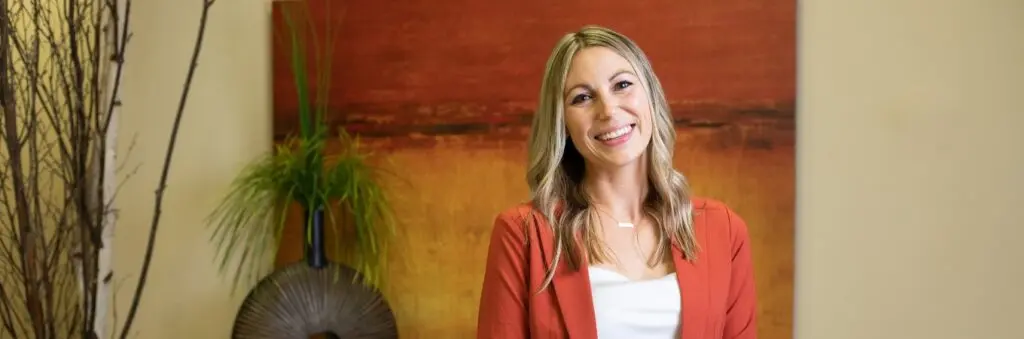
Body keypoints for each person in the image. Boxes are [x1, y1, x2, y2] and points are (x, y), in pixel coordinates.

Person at [476, 25, 758, 339]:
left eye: (622, 85)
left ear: (650, 95)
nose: (608, 110)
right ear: (562, 122)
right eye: (582, 98)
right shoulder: (524, 235)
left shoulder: (723, 230)